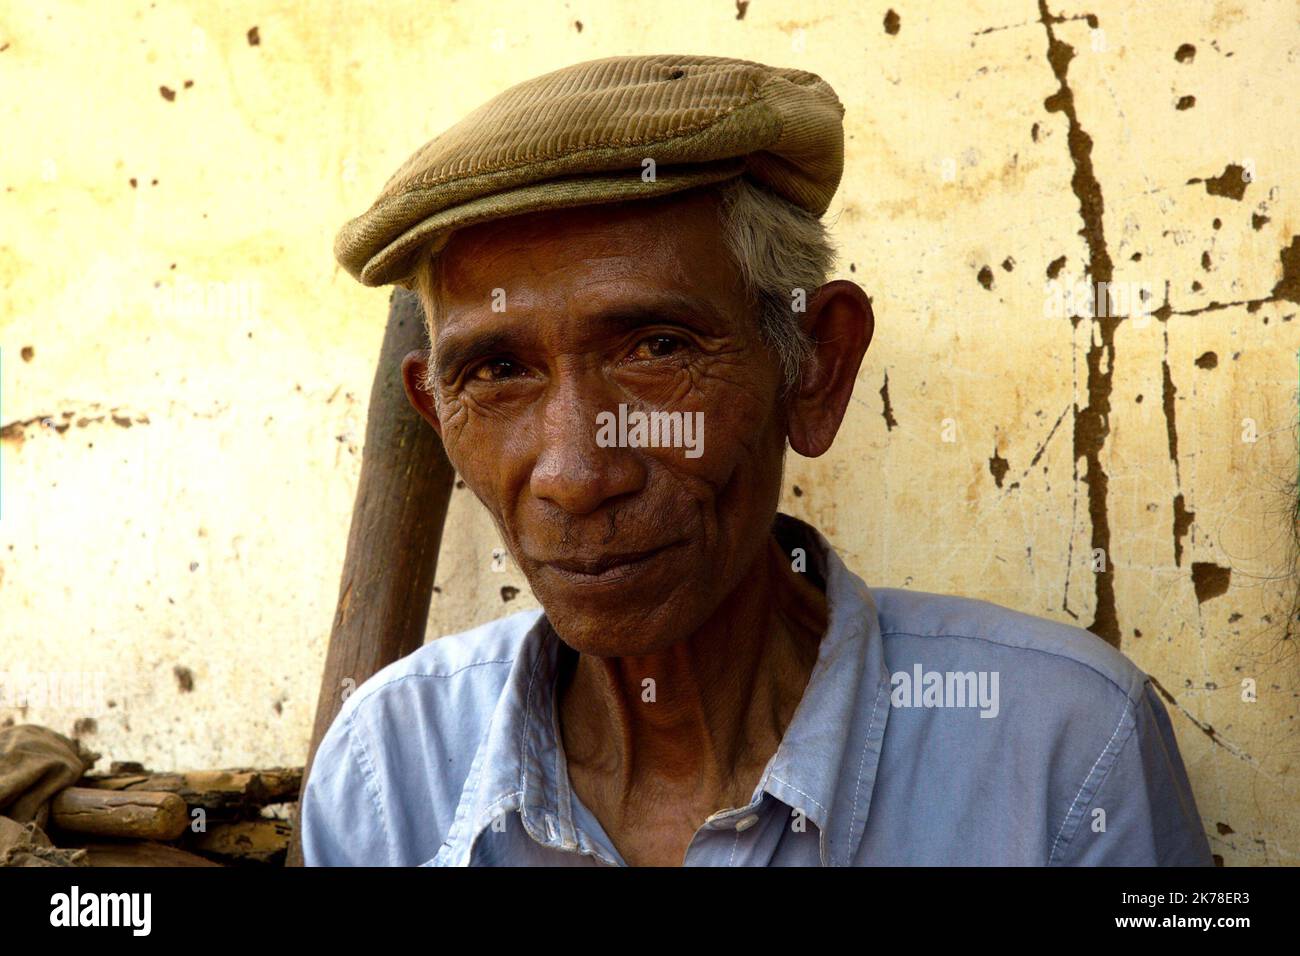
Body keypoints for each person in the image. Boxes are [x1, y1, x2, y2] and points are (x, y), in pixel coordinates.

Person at [301, 54, 1212, 866]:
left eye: (656, 350)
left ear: (814, 367)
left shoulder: (1063, 751)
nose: (577, 473)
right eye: (498, 371)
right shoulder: (386, 767)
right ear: (435, 413)